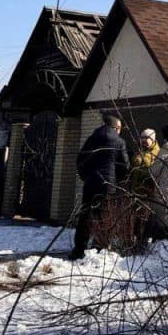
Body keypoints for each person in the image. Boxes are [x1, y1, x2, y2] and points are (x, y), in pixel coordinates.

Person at [71, 111, 129, 260]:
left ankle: (79, 248)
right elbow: (124, 165)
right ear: (116, 127)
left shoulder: (92, 139)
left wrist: (87, 177)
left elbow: (80, 160)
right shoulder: (119, 141)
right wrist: (117, 182)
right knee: (104, 216)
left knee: (86, 215)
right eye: (120, 128)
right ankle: (100, 248)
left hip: (90, 183)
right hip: (108, 185)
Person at [130, 128, 160, 246]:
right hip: (136, 189)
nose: (144, 141)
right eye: (142, 138)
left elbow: (154, 171)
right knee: (137, 217)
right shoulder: (138, 151)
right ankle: (137, 240)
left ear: (153, 140)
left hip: (149, 190)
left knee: (146, 217)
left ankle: (144, 241)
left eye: (147, 138)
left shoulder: (157, 153)